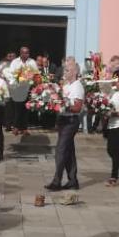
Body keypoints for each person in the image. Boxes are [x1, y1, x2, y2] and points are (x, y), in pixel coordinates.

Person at [45, 63, 85, 191]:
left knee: (60, 150)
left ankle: (57, 181)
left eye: (67, 70)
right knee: (68, 151)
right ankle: (73, 180)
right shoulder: (66, 85)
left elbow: (77, 107)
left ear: (74, 72)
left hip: (71, 120)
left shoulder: (77, 87)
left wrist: (64, 104)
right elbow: (60, 100)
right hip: (63, 119)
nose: (64, 72)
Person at [5, 46, 34, 136]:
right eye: (24, 53)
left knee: (26, 109)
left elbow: (35, 73)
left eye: (28, 53)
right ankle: (16, 127)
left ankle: (24, 128)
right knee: (18, 109)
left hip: (28, 88)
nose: (26, 54)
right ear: (21, 53)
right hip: (17, 89)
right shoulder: (15, 62)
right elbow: (12, 74)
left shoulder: (31, 62)